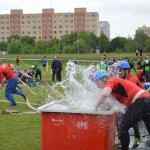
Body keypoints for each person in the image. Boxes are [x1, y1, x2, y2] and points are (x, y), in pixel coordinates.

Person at [92, 69, 150, 150]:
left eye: (97, 83)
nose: (97, 86)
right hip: (146, 101)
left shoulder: (111, 80)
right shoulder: (113, 86)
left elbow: (105, 94)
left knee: (122, 129)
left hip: (141, 101)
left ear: (103, 79)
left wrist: (94, 108)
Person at [118, 60, 144, 148]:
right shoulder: (123, 77)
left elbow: (128, 95)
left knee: (131, 118)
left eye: (120, 70)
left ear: (126, 71)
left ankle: (137, 138)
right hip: (135, 100)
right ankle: (126, 138)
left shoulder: (132, 79)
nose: (118, 72)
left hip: (142, 101)